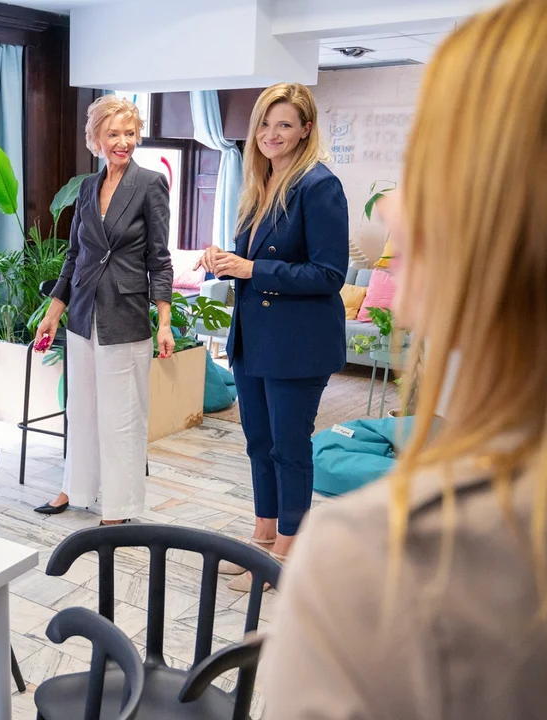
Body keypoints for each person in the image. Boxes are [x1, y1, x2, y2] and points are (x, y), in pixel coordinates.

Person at [260, 1, 547, 717]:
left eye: (430, 164)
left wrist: (251, 271)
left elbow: (325, 274)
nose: (392, 209)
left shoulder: (380, 565)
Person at [196, 83, 348, 589]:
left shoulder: (319, 185)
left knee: (288, 446)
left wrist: (252, 267)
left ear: (306, 129)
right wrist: (225, 263)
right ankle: (263, 537)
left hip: (297, 345)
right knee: (258, 443)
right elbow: (254, 264)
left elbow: (329, 274)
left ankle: (289, 549)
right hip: (253, 341)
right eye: (264, 124)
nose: (270, 134)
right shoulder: (260, 185)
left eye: (284, 124)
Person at [33, 95, 175, 525]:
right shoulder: (88, 188)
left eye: (130, 133)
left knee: (122, 416)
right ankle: (74, 489)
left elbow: (159, 258)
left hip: (125, 314)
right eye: (113, 134)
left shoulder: (151, 185)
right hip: (81, 312)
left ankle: (119, 506)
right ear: (96, 138)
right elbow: (74, 255)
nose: (123, 142)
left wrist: (164, 320)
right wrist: (54, 311)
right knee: (82, 408)